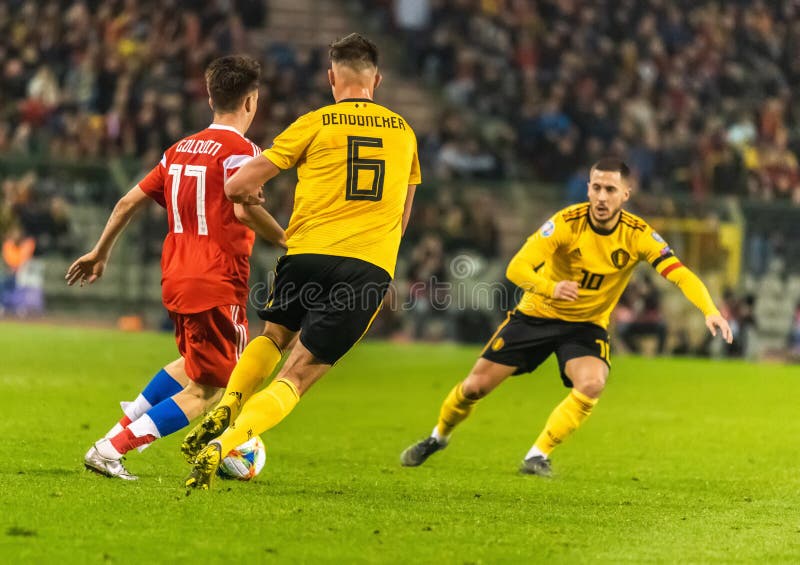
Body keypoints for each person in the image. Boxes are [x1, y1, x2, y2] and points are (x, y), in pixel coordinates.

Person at [182, 33, 421, 490]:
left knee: (273, 336)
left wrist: (254, 200)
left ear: (332, 77)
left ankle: (231, 401)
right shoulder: (405, 133)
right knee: (299, 372)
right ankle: (230, 439)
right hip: (367, 265)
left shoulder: (315, 122)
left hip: (305, 252)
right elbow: (404, 219)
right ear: (379, 79)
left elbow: (236, 186)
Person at [400, 158, 733, 477]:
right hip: (537, 315)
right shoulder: (565, 223)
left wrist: (710, 310)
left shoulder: (639, 234)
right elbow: (517, 268)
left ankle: (537, 455)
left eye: (611, 190)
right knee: (474, 388)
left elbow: (680, 275)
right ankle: (438, 437)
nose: (602, 197)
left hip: (586, 326)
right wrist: (550, 287)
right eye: (597, 188)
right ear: (588, 189)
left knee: (592, 383)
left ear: (625, 195)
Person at [67, 55, 285, 480]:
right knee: (211, 388)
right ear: (251, 102)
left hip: (176, 275)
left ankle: (117, 432)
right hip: (217, 279)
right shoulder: (243, 152)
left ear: (209, 97)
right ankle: (112, 448)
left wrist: (100, 251)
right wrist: (286, 238)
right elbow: (243, 212)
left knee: (191, 362)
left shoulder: (178, 150)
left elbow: (128, 201)